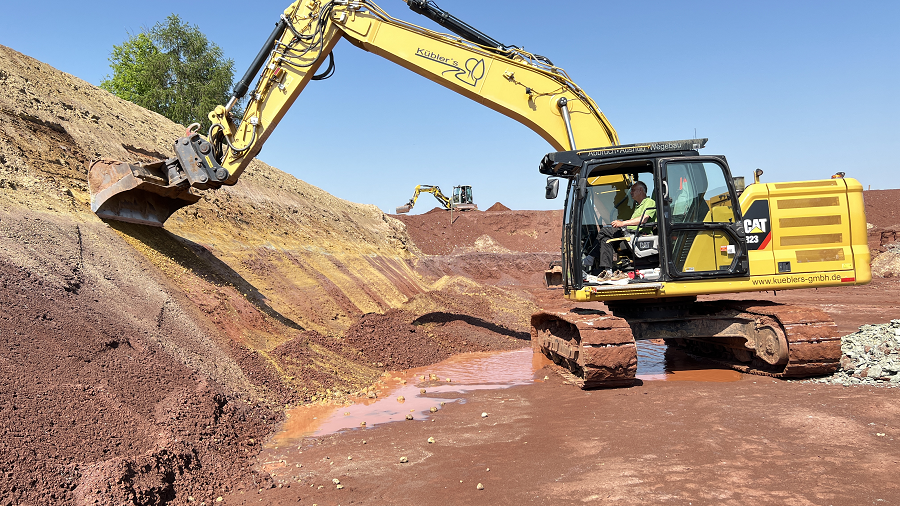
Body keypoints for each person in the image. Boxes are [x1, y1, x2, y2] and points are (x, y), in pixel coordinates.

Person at [583, 181, 656, 278]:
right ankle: (608, 271)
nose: (631, 192)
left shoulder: (649, 202)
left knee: (605, 230)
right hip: (630, 232)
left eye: (633, 190)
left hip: (638, 233)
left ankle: (591, 257)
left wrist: (622, 223)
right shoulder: (637, 205)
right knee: (606, 240)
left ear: (641, 190)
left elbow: (643, 219)